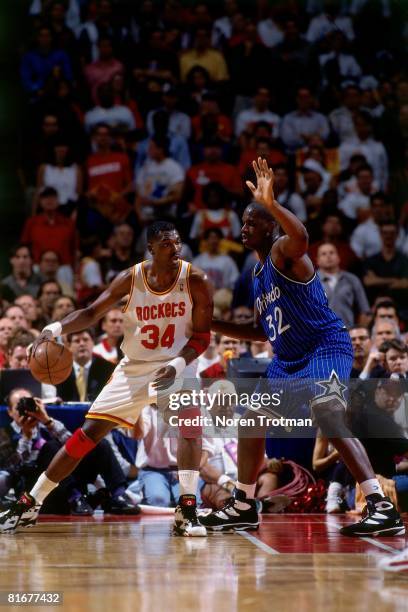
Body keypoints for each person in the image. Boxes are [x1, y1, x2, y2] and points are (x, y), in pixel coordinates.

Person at [199, 158, 404, 537]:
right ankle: (243, 504)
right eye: (242, 222)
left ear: (270, 225)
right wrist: (209, 322)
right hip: (288, 359)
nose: (244, 228)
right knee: (252, 422)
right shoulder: (258, 276)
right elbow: (262, 333)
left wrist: (272, 202)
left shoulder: (283, 251)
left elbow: (303, 238)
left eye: (251, 222)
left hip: (325, 346)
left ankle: (380, 505)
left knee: (328, 412)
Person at [0, 221, 213, 537]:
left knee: (189, 425)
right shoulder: (131, 278)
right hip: (135, 368)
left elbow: (203, 336)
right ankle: (31, 502)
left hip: (178, 365)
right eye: (167, 244)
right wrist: (53, 329)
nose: (175, 249)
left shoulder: (194, 279)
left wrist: (180, 363)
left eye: (178, 242)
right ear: (151, 249)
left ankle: (187, 508)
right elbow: (90, 313)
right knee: (88, 433)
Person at [316, 242, 370, 327]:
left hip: (347, 332)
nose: (328, 256)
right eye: (323, 254)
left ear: (338, 257)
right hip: (320, 335)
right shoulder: (312, 282)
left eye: (331, 252)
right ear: (317, 260)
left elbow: (364, 310)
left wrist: (359, 332)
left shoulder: (352, 279)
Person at [56, 330, 116, 403]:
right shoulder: (59, 371)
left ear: (93, 343)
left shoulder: (108, 369)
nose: (82, 344)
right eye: (77, 341)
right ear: (69, 346)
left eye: (85, 340)